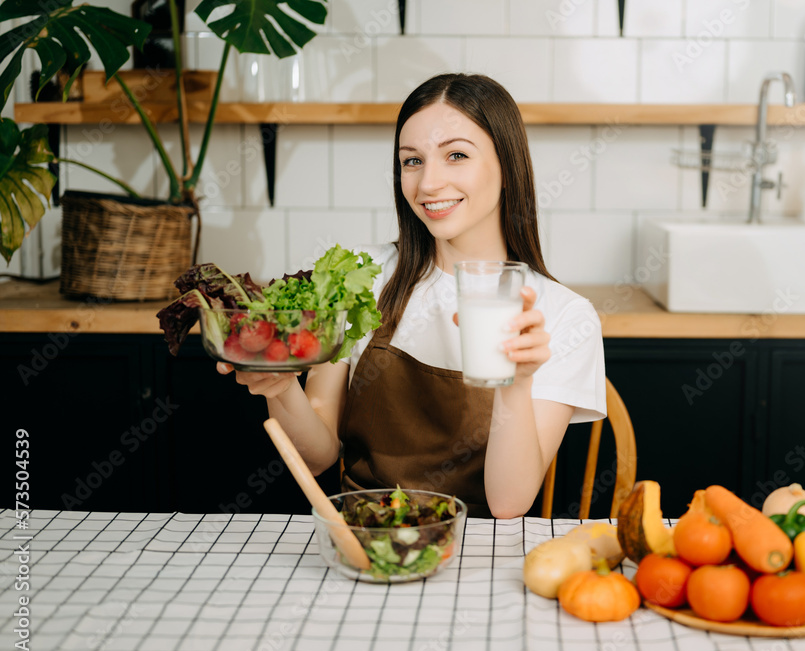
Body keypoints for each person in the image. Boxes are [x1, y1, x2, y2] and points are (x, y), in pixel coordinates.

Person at [219, 73, 606, 518]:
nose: (427, 185)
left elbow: (508, 504)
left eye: (456, 155)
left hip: (478, 554)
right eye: (412, 161)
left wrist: (515, 386)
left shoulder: (563, 317)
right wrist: (282, 385)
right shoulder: (361, 277)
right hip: (363, 539)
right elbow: (317, 456)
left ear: (507, 167)